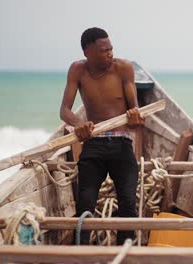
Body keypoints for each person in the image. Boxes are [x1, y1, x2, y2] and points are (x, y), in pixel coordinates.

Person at [59, 27, 144, 245]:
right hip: (93, 144)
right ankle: (82, 253)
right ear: (88, 52)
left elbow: (135, 114)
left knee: (127, 202)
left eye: (111, 48)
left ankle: (126, 252)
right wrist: (79, 124)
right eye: (104, 50)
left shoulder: (123, 68)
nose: (110, 53)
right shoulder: (77, 70)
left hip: (122, 143)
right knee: (85, 203)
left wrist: (135, 117)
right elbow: (65, 111)